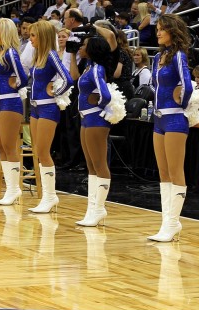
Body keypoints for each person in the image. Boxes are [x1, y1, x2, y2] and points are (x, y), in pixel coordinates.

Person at [146, 14, 193, 243]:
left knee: (175, 172)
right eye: (156, 29)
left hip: (175, 118)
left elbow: (187, 84)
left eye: (162, 29)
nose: (158, 33)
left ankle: (173, 222)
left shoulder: (178, 56)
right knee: (163, 173)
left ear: (173, 31)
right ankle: (167, 222)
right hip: (158, 119)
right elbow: (155, 86)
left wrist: (181, 104)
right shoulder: (157, 57)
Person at [27, 20, 74, 213]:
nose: (30, 39)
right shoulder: (38, 56)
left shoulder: (52, 55)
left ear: (43, 36)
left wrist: (55, 91)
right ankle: (47, 196)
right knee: (37, 151)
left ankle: (50, 195)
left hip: (47, 108)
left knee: (44, 152)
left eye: (33, 35)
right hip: (35, 108)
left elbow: (68, 79)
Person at [72, 36, 114, 226]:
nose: (81, 47)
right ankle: (91, 209)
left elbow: (105, 94)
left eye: (85, 45)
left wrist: (98, 105)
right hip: (86, 118)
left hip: (96, 119)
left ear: (93, 49)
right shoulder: (88, 67)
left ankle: (99, 209)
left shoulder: (97, 69)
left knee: (99, 164)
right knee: (90, 165)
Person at [0, 18, 29, 205]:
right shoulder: (0, 52)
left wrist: (14, 87)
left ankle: (14, 189)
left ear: (5, 31)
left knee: (8, 145)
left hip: (10, 102)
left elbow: (23, 77)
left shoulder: (12, 53)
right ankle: (10, 189)